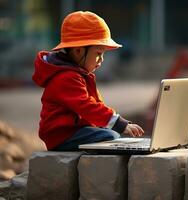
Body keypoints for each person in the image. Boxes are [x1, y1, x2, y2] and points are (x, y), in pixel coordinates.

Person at [32, 11, 144, 151]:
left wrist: (107, 123)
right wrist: (120, 124)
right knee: (111, 137)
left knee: (110, 135)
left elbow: (94, 106)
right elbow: (87, 106)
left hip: (74, 130)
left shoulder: (76, 73)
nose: (101, 60)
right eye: (98, 53)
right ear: (78, 51)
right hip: (62, 135)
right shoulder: (66, 77)